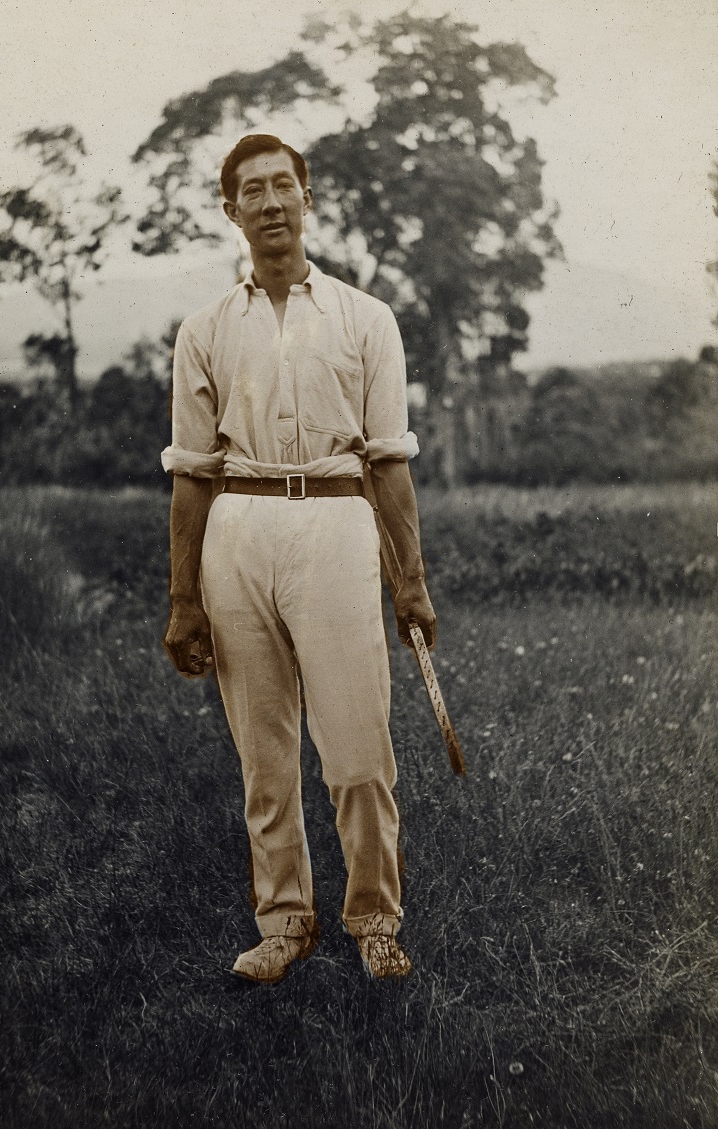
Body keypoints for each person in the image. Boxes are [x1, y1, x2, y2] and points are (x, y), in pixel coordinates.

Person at [161, 134, 436, 984]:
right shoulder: (205, 328)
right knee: (265, 752)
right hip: (237, 531)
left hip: (336, 522)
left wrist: (411, 584)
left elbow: (388, 462)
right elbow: (192, 477)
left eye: (286, 184)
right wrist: (183, 599)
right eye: (254, 189)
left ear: (308, 199)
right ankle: (284, 923)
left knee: (356, 747)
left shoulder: (365, 317)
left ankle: (374, 921)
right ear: (231, 209)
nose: (272, 201)